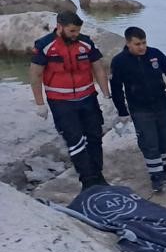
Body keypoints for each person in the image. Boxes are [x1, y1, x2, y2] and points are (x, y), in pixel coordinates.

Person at [29, 10, 110, 190]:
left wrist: (106, 94)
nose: (75, 35)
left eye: (77, 31)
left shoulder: (86, 43)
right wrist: (40, 103)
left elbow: (98, 68)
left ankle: (98, 175)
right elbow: (35, 74)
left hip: (88, 98)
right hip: (61, 102)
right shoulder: (45, 45)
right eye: (72, 31)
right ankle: (87, 181)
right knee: (75, 140)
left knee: (95, 136)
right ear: (59, 27)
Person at [110, 26, 166, 193]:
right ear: (128, 43)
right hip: (140, 108)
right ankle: (155, 176)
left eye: (144, 43)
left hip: (162, 105)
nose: (142, 47)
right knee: (149, 142)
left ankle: (163, 168)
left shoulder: (154, 54)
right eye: (137, 44)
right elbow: (116, 89)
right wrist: (122, 111)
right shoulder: (119, 61)